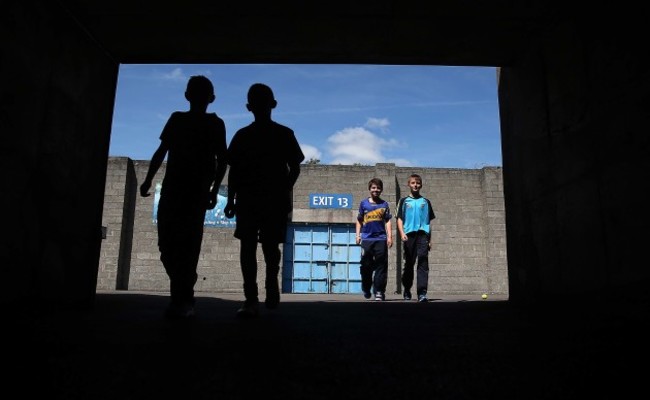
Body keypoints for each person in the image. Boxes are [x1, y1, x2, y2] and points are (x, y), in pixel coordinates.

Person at [140, 75, 228, 319]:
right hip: (174, 189)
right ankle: (185, 288)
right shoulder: (177, 120)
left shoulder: (215, 124)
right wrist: (148, 178)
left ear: (209, 98)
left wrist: (213, 189)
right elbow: (162, 151)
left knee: (187, 245)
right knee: (167, 246)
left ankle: (181, 298)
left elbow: (223, 160)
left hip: (194, 192)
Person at [224, 83, 305, 318]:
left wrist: (283, 189)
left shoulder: (250, 135)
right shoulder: (274, 134)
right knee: (259, 246)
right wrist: (284, 188)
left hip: (260, 199)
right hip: (257, 199)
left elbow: (295, 167)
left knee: (257, 246)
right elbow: (236, 172)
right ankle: (258, 291)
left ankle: (257, 293)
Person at [396, 173, 436, 302]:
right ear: (409, 184)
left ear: (421, 185)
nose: (415, 185)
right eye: (413, 183)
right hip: (409, 235)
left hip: (422, 234)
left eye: (418, 183)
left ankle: (422, 293)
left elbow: (428, 222)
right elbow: (399, 219)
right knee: (409, 264)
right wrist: (402, 233)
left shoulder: (426, 202)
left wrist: (430, 239)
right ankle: (407, 290)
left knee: (423, 263)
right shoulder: (403, 201)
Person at [355, 177, 393, 301]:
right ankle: (366, 287)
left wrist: (389, 237)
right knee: (366, 266)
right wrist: (358, 235)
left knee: (381, 266)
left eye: (378, 188)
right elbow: (359, 221)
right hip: (366, 239)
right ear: (369, 189)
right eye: (373, 188)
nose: (376, 190)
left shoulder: (384, 204)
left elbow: (387, 221)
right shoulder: (363, 204)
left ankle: (379, 291)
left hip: (381, 239)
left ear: (381, 190)